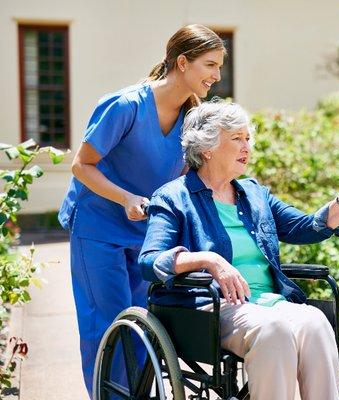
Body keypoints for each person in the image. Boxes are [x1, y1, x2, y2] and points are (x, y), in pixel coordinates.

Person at [139, 101, 339, 400]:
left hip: (269, 303)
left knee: (314, 322)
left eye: (248, 138)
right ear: (207, 147)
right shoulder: (173, 197)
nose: (247, 146)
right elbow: (150, 261)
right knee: (273, 330)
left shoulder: (255, 194)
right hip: (211, 307)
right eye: (236, 138)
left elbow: (306, 227)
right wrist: (208, 260)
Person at [58, 24, 227, 396]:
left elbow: (186, 180)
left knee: (146, 325)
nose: (216, 77)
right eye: (210, 65)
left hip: (147, 234)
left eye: (219, 68)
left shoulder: (192, 120)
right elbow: (81, 166)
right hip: (98, 227)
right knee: (107, 322)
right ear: (182, 62)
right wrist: (126, 199)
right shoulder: (126, 106)